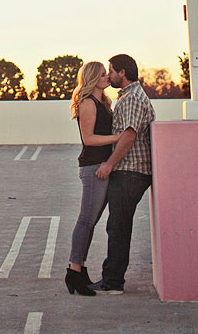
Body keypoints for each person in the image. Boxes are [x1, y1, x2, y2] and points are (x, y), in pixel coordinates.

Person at [91, 53, 156, 294]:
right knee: (117, 225)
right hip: (130, 170)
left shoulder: (131, 99)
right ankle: (111, 278)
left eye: (111, 71)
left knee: (118, 226)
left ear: (122, 73)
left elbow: (129, 135)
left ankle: (113, 282)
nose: (109, 75)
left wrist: (109, 164)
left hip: (130, 171)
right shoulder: (131, 96)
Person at [64, 61, 121, 296]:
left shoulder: (102, 102)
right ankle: (73, 270)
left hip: (99, 165)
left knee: (91, 221)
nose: (108, 77)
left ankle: (80, 269)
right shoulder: (87, 103)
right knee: (86, 220)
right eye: (103, 75)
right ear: (93, 79)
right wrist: (119, 138)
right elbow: (88, 139)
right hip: (92, 166)